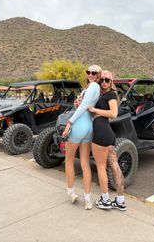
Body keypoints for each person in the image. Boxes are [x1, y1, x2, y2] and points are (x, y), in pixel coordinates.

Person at [62, 65, 101, 210]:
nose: (90, 74)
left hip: (79, 124)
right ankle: (88, 199)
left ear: (98, 75)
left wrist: (70, 122)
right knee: (85, 162)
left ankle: (71, 192)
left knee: (69, 160)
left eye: (94, 73)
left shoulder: (92, 86)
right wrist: (77, 103)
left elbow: (84, 105)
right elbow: (85, 104)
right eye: (88, 72)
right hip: (89, 126)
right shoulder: (95, 89)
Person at [88, 70, 127, 211]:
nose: (104, 82)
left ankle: (105, 200)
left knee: (100, 168)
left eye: (107, 80)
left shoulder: (111, 95)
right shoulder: (102, 94)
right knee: (114, 166)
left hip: (101, 134)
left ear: (111, 82)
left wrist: (94, 110)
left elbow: (113, 113)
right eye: (102, 80)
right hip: (107, 134)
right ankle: (120, 201)